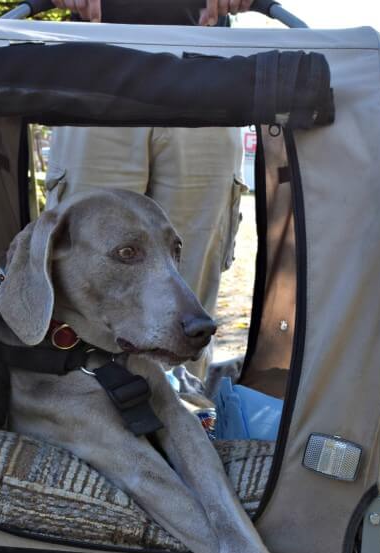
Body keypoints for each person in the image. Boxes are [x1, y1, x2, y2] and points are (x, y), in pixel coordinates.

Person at [48, 0, 253, 377]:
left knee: (188, 281)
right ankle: (75, 412)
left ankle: (188, 413)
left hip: (205, 67)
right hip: (98, 67)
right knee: (84, 274)